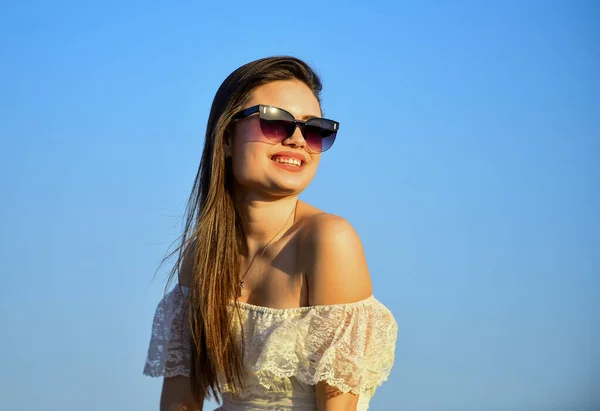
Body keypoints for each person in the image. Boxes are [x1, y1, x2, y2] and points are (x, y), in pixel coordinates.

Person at [143, 56, 398, 411]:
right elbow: (180, 402)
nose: (297, 140)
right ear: (227, 137)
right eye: (274, 122)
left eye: (315, 129)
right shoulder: (203, 252)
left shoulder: (327, 240)